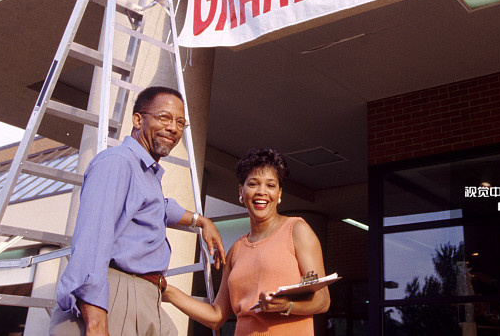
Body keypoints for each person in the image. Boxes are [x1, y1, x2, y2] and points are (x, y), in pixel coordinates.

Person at [49, 86, 226, 336]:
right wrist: (97, 323)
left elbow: (158, 208)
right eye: (164, 117)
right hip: (113, 297)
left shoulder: (145, 173)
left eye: (180, 122)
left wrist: (201, 221)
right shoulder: (117, 162)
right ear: (137, 119)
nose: (174, 128)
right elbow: (92, 242)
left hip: (145, 296)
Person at [163, 147, 330, 335]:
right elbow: (216, 317)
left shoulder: (297, 230)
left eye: (270, 185)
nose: (261, 192)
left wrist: (286, 305)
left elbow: (323, 300)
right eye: (253, 184)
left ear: (280, 193)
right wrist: (167, 291)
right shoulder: (235, 250)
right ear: (241, 191)